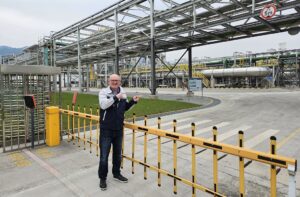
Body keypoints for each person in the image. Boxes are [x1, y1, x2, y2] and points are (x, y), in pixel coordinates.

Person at [98, 74, 140, 191]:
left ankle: (116, 173)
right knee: (104, 156)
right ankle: (103, 178)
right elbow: (103, 105)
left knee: (117, 154)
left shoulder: (123, 92)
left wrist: (132, 102)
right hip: (106, 129)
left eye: (117, 80)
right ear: (109, 81)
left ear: (120, 82)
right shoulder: (103, 92)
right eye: (112, 80)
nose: (114, 82)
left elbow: (124, 108)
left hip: (118, 129)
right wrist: (116, 97)